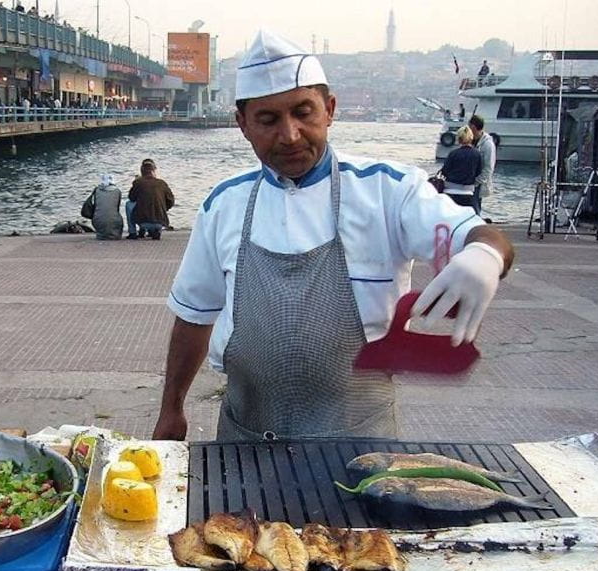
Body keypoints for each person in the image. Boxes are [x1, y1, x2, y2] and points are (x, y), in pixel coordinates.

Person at [152, 30, 513, 442]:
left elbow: (482, 235)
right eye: (268, 120)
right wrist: (171, 410)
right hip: (245, 438)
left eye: (303, 112)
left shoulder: (389, 191)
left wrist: (485, 255)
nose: (289, 135)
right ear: (242, 125)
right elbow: (194, 316)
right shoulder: (223, 204)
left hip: (361, 439)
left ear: (330, 109)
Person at [127, 159, 174, 240]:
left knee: (129, 204)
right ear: (154, 171)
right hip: (160, 222)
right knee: (156, 202)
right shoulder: (162, 183)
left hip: (142, 221)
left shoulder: (138, 182)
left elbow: (131, 198)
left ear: (142, 171)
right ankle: (156, 230)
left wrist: (136, 184)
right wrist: (162, 207)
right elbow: (171, 201)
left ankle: (133, 232)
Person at [440, 126, 481, 209]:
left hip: (450, 191)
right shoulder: (477, 154)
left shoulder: (453, 153)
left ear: (459, 139)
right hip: (468, 193)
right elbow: (478, 172)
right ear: (471, 138)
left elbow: (445, 171)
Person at [469, 114, 496, 219]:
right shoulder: (472, 141)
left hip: (478, 182)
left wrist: (477, 181)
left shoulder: (487, 144)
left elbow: (489, 167)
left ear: (473, 127)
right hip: (470, 180)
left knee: (475, 206)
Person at [82, 175, 123, 240]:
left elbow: (96, 206)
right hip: (114, 220)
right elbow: (117, 207)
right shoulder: (117, 191)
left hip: (98, 220)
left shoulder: (97, 190)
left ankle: (102, 233)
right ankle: (114, 234)